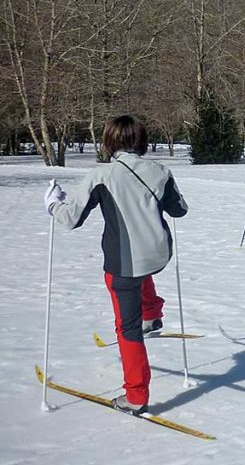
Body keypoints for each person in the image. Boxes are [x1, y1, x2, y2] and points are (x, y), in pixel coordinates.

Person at [43, 115, 188, 415]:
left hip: (123, 263)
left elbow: (70, 218)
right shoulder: (160, 170)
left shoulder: (102, 175)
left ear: (110, 141)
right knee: (141, 271)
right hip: (158, 254)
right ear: (142, 141)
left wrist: (53, 203)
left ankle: (136, 395)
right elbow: (180, 209)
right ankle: (152, 314)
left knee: (127, 328)